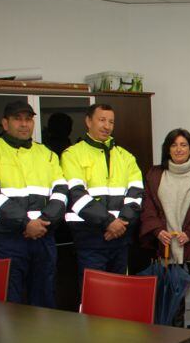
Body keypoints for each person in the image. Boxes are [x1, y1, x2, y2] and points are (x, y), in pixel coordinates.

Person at [0, 101, 68, 307]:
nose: (24, 124)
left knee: (44, 303)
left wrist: (43, 222)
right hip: (8, 240)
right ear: (5, 123)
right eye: (18, 119)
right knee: (11, 305)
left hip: (44, 238)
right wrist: (26, 224)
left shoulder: (47, 154)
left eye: (28, 119)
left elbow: (61, 194)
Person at [60, 104, 143, 294]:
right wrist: (108, 223)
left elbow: (136, 194)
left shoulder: (125, 156)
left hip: (120, 238)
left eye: (111, 122)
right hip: (90, 239)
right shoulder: (72, 154)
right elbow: (76, 195)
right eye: (102, 120)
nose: (107, 126)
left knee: (120, 295)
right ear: (89, 121)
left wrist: (121, 223)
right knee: (94, 296)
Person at [140, 129, 190, 343]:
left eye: (183, 145)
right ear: (167, 149)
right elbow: (148, 206)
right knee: (173, 286)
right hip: (167, 242)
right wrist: (157, 230)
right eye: (174, 145)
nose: (179, 149)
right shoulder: (155, 174)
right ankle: (176, 330)